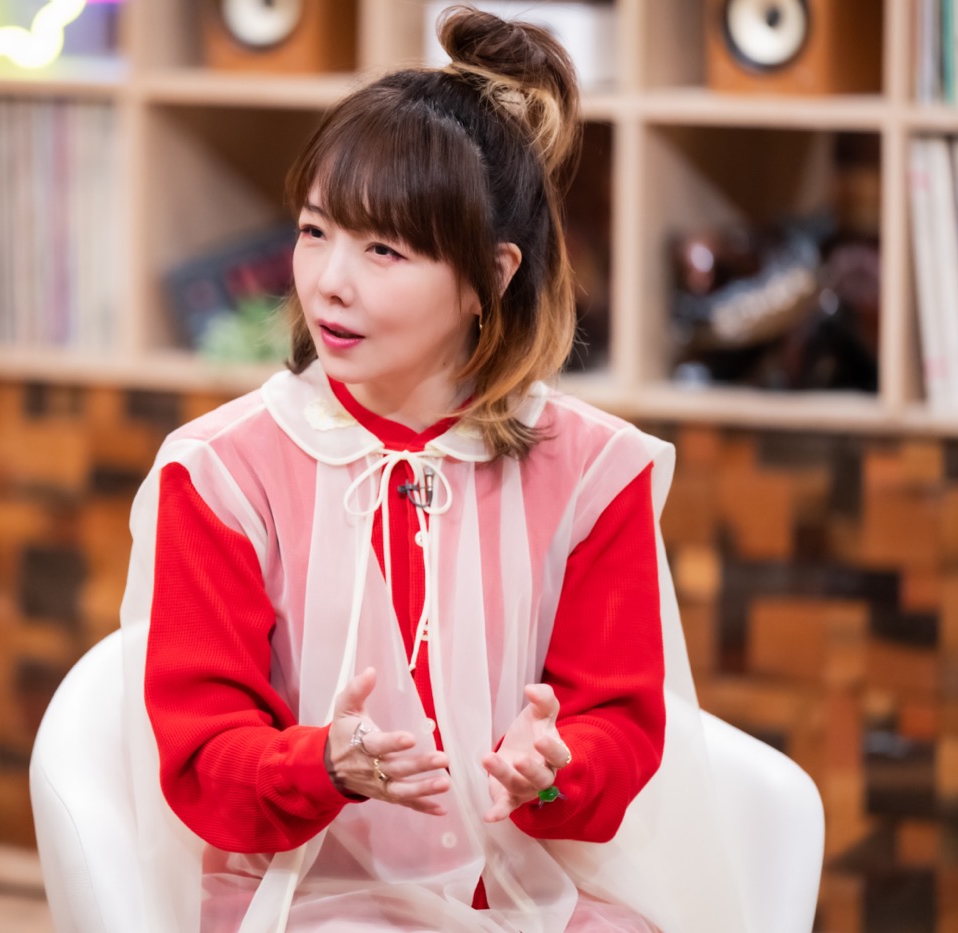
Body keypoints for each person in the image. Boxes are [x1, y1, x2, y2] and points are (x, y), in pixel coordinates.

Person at [119, 6, 747, 931]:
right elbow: (203, 759)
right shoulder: (221, 473)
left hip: (522, 896)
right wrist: (320, 763)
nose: (330, 281)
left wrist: (555, 769)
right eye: (315, 231)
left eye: (383, 249)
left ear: (493, 274)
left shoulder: (591, 474)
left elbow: (617, 730)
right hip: (306, 899)